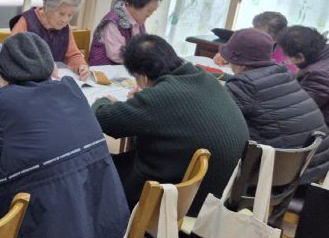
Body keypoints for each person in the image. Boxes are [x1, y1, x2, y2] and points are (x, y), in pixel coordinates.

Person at [0, 32, 129, 238]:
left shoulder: (5, 101)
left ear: (2, 72)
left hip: (39, 235)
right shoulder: (70, 89)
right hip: (88, 224)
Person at [92, 34, 248, 214]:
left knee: (97, 168)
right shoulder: (203, 77)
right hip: (223, 190)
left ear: (142, 77)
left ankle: (109, 233)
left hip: (192, 199)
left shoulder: (160, 97)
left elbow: (103, 119)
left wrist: (104, 100)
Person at [220, 28, 329, 184]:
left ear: (241, 66)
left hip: (281, 180)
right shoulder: (283, 74)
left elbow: (215, 120)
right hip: (317, 171)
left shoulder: (243, 85)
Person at [277, 25, 329, 157]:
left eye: (288, 58)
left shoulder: (319, 75)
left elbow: (297, 111)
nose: (288, 61)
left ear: (300, 57)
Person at [9, 0, 89, 80]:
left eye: (70, 14)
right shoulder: (26, 22)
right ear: (48, 7)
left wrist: (81, 65)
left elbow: (72, 55)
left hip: (53, 82)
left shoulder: (65, 27)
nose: (65, 20)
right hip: (28, 81)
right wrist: (42, 66)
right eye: (61, 13)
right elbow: (12, 56)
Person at [89, 0, 163, 66]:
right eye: (149, 10)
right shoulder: (113, 21)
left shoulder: (138, 20)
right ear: (137, 4)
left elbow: (143, 45)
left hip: (124, 68)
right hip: (104, 69)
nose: (150, 15)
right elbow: (116, 55)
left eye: (153, 11)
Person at [214, 11, 297, 74]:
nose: (254, 35)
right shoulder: (250, 40)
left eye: (259, 33)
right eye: (254, 29)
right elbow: (235, 53)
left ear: (277, 38)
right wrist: (225, 56)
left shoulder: (288, 58)